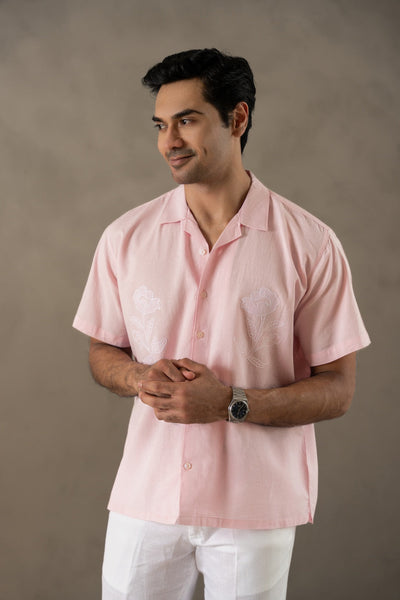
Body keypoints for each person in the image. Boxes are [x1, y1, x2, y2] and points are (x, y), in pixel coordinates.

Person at [73, 48, 370, 600]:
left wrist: (230, 402)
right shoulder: (124, 238)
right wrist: (138, 377)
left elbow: (338, 389)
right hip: (147, 495)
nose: (169, 141)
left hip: (255, 506)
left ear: (237, 118)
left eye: (186, 120)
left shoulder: (311, 244)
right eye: (161, 125)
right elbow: (102, 350)